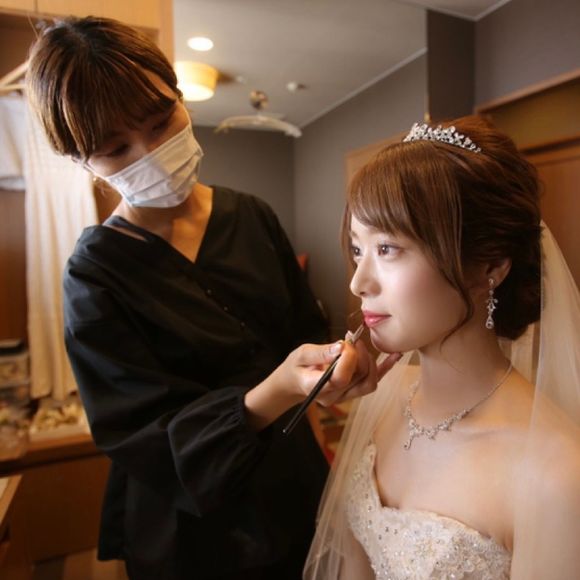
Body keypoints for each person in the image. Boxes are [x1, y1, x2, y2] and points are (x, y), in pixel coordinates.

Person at [25, 16, 401, 580]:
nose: (151, 151)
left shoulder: (251, 215)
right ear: (82, 162)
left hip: (292, 482)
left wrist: (335, 374)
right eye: (116, 149)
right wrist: (276, 390)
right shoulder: (94, 274)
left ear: (179, 97)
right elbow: (141, 437)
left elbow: (304, 332)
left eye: (161, 121)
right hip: (190, 521)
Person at [305, 116, 580, 579]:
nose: (358, 282)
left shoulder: (555, 474)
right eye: (357, 249)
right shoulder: (385, 394)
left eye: (387, 248)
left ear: (490, 266)